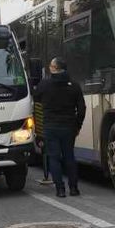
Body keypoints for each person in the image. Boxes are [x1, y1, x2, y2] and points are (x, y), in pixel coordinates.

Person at [33, 57, 85, 198]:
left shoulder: (44, 85)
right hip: (69, 127)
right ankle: (73, 188)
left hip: (50, 127)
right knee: (69, 156)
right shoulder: (74, 86)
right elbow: (81, 109)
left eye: (51, 66)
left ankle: (60, 190)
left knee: (54, 158)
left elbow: (35, 99)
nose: (49, 68)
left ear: (54, 68)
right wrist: (78, 125)